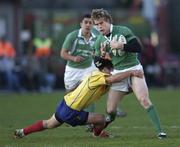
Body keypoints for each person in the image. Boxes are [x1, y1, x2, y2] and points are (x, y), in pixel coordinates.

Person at [14, 56, 143, 139]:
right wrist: (131, 72)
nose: (112, 70)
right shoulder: (99, 77)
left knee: (48, 124)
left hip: (65, 103)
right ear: (104, 68)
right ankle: (97, 134)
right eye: (110, 68)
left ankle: (22, 132)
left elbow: (118, 89)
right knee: (102, 119)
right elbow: (114, 78)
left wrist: (134, 89)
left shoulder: (101, 78)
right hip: (71, 110)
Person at [91, 8, 166, 139]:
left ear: (108, 21)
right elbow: (98, 63)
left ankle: (160, 132)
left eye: (101, 23)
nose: (99, 27)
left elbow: (138, 47)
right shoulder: (99, 41)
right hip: (118, 73)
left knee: (144, 100)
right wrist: (103, 57)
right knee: (110, 110)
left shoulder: (123, 31)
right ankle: (109, 119)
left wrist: (121, 46)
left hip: (134, 70)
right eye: (96, 24)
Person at [61, 14, 126, 123]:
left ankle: (111, 108)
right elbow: (63, 54)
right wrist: (73, 58)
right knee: (70, 96)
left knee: (94, 89)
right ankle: (68, 116)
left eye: (90, 22)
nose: (88, 25)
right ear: (81, 24)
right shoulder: (72, 36)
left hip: (88, 68)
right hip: (72, 70)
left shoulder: (96, 35)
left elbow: (101, 48)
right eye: (85, 22)